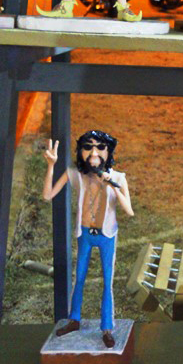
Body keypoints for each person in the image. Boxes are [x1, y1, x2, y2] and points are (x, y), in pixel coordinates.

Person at [41, 130, 134, 349]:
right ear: (80, 151)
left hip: (106, 235)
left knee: (107, 281)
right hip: (84, 233)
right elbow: (47, 196)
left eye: (100, 147)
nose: (94, 153)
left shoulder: (118, 178)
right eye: (88, 147)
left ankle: (107, 327)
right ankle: (74, 319)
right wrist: (51, 165)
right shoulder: (75, 174)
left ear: (108, 152)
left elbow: (129, 211)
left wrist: (113, 186)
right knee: (79, 277)